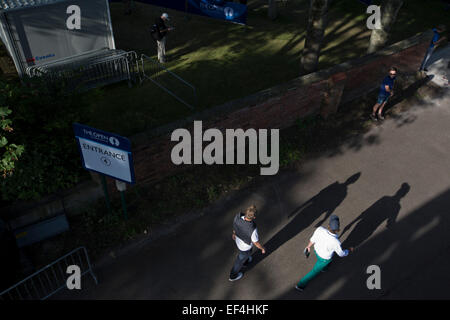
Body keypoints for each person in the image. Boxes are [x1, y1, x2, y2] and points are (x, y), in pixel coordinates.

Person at [294, 215, 354, 292]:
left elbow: (312, 240)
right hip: (324, 259)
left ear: (328, 225)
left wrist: (308, 247)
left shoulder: (320, 229)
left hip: (316, 251)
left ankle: (324, 269)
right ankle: (300, 285)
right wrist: (348, 250)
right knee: (313, 272)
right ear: (338, 230)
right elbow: (341, 254)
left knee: (327, 264)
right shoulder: (336, 242)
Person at [229, 205, 266, 282]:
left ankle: (245, 261)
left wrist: (234, 233)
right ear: (254, 217)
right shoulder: (252, 228)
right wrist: (262, 248)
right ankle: (233, 275)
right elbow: (255, 242)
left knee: (245, 255)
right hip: (245, 246)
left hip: (238, 240)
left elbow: (235, 226)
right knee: (240, 260)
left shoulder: (237, 216)